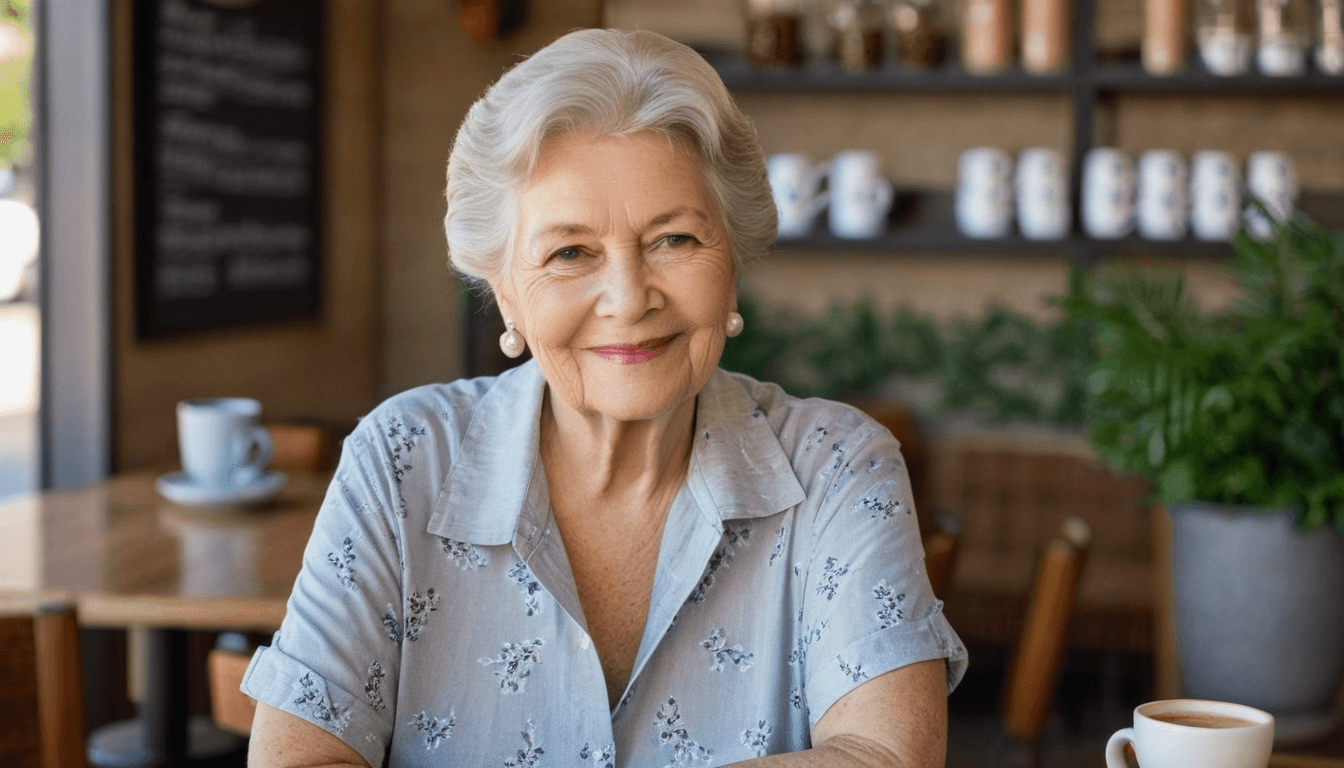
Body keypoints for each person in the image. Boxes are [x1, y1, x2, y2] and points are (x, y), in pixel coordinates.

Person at [242, 27, 966, 768]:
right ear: (506, 293)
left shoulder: (836, 467)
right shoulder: (402, 461)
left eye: (674, 240)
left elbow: (884, 756)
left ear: (733, 259)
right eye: (570, 252)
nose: (627, 299)